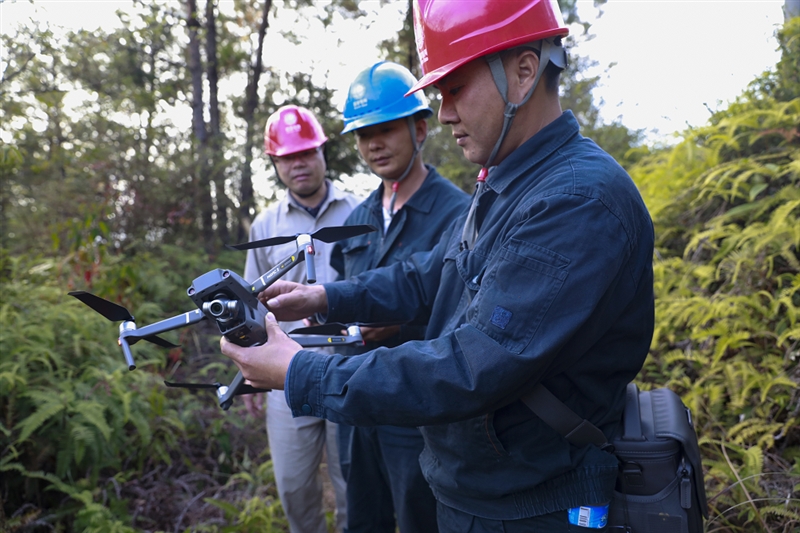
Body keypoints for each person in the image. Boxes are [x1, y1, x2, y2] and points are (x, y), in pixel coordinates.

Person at [223, 2, 655, 531]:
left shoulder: (576, 200)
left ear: (523, 71)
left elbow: (469, 368)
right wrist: (327, 298)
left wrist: (299, 371)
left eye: (454, 89)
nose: (445, 112)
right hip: (481, 491)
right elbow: (433, 273)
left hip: (532, 506)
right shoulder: (510, 183)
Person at [332, 61, 470, 533]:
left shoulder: (460, 214)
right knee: (362, 517)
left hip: (416, 412)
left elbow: (470, 313)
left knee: (420, 518)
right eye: (363, 133)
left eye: (386, 129)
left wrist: (403, 322)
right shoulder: (357, 217)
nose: (373, 144)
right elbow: (342, 289)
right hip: (353, 400)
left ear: (420, 128)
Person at [242, 105, 360, 533]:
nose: (299, 163)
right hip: (285, 370)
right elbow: (251, 301)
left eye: (306, 152)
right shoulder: (265, 224)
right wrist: (246, 371)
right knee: (292, 485)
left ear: (322, 152)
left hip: (351, 364)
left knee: (352, 481)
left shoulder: (359, 211)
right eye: (288, 157)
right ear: (275, 163)